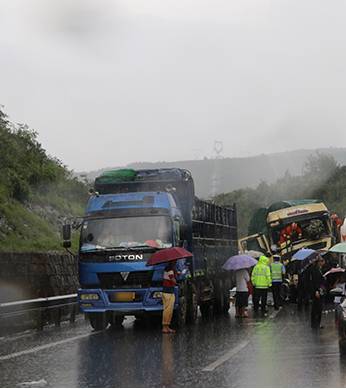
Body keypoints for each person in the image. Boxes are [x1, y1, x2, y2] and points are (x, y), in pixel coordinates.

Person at [310, 255, 326, 330]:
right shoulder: (315, 270)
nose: (323, 262)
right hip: (317, 291)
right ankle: (315, 324)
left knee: (318, 308)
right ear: (318, 262)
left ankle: (317, 323)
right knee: (316, 308)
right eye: (322, 261)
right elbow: (315, 282)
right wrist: (316, 291)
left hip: (320, 290)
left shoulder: (320, 269)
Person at [162, 262, 177, 334]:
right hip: (168, 292)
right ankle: (165, 327)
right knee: (168, 310)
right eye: (175, 262)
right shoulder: (170, 269)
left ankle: (167, 327)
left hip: (168, 291)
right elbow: (172, 279)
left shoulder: (168, 269)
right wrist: (176, 282)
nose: (176, 263)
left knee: (169, 310)